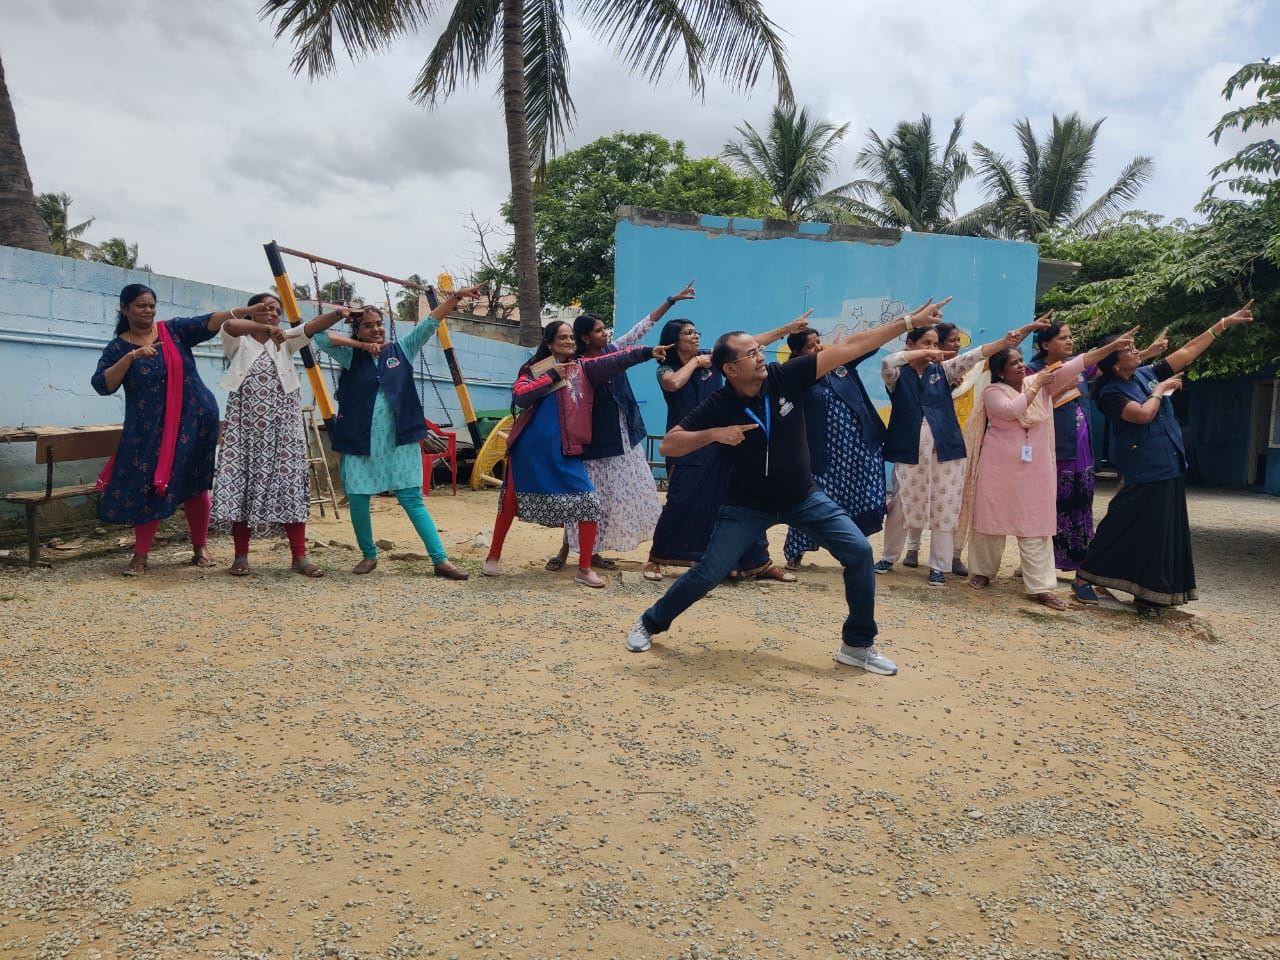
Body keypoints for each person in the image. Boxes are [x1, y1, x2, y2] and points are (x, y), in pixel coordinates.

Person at [626, 297, 952, 674]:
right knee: (708, 572)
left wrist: (908, 322)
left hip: (803, 497)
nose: (761, 355)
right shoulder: (720, 402)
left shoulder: (785, 377)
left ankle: (857, 645)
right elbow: (670, 443)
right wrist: (716, 433)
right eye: (752, 353)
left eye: (759, 349)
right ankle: (650, 622)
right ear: (731, 369)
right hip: (747, 505)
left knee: (859, 552)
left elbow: (850, 346)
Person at [1078, 303, 1254, 616]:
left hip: (1169, 463)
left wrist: (1222, 323)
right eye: (1129, 351)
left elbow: (1186, 352)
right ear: (1116, 365)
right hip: (1144, 467)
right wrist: (1159, 390)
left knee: (1161, 533)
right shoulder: (1111, 393)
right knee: (1123, 523)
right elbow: (1143, 415)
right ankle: (1087, 576)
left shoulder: (1143, 373)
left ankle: (1150, 594)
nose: (1137, 353)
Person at [92, 284, 275, 576]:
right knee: (150, 485)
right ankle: (141, 556)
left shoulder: (172, 331)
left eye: (152, 305)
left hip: (195, 420)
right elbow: (103, 384)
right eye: (141, 305)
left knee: (196, 484)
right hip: (148, 431)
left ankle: (200, 547)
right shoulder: (118, 347)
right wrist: (131, 358)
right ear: (124, 309)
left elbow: (209, 321)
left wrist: (248, 312)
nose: (148, 311)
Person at [312, 285, 485, 579]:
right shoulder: (351, 356)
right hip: (359, 441)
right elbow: (318, 336)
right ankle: (369, 555)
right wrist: (352, 332)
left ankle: (440, 559)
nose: (376, 329)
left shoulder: (402, 349)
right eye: (367, 326)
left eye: (379, 324)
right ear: (357, 330)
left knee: (411, 498)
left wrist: (455, 298)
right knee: (358, 498)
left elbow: (431, 322)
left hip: (400, 440)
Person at [482, 321, 666, 588]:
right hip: (530, 449)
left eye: (571, 337)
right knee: (510, 502)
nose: (569, 341)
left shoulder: (583, 368)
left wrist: (647, 352)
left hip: (567, 450)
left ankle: (584, 569)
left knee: (588, 503)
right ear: (549, 342)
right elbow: (520, 396)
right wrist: (552, 376)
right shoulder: (537, 368)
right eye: (562, 337)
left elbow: (617, 359)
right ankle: (493, 557)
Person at [966, 333, 1134, 609]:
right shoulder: (993, 392)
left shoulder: (1040, 380)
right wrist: (1035, 388)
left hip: (1036, 468)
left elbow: (1079, 363)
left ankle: (1040, 587)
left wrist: (1112, 347)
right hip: (998, 469)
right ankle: (982, 573)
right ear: (999, 371)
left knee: (1036, 523)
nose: (1021, 366)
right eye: (1013, 363)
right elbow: (1011, 411)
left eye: (1021, 361)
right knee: (991, 519)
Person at [642, 313, 813, 583]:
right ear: (674, 342)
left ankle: (758, 563)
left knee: (741, 500)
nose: (696, 335)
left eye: (696, 331)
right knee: (680, 501)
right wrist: (697, 362)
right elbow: (673, 384)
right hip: (688, 441)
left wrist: (786, 329)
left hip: (723, 440)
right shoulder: (667, 368)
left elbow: (751, 344)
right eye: (688, 333)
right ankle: (657, 558)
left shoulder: (715, 357)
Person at [876, 320, 1042, 586]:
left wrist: (1004, 342)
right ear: (910, 345)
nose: (932, 349)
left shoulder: (943, 371)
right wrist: (922, 354)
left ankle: (939, 566)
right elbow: (889, 362)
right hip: (908, 449)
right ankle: (888, 556)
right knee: (901, 503)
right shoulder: (897, 375)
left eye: (934, 344)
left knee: (945, 506)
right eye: (925, 344)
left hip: (947, 450)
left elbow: (977, 355)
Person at [547, 283, 696, 572]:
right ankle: (565, 550)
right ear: (585, 337)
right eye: (599, 330)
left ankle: (594, 552)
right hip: (595, 440)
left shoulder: (614, 350)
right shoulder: (575, 364)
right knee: (586, 498)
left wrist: (670, 301)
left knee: (611, 500)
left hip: (625, 435)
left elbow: (643, 327)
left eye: (605, 329)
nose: (606, 333)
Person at [1026, 320, 1169, 603]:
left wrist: (1149, 352)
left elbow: (1115, 365)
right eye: (1063, 338)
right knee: (1052, 507)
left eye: (1070, 336)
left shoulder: (1080, 366)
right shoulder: (1033, 371)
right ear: (1045, 345)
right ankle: (1046, 568)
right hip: (1054, 448)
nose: (1069, 341)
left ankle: (1082, 567)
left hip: (1082, 448)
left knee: (1081, 505)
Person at [211, 293, 351, 578]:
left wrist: (341, 313)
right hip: (244, 431)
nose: (272, 313)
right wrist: (262, 327)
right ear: (251, 312)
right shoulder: (239, 340)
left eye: (276, 309)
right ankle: (241, 556)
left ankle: (299, 556)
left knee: (290, 485)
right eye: (265, 308)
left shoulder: (285, 341)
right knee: (243, 484)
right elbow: (228, 325)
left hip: (283, 429)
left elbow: (311, 327)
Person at [781, 327, 887, 569]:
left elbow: (869, 346)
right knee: (814, 501)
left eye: (819, 342)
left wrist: (900, 324)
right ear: (797, 352)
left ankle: (850, 551)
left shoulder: (840, 363)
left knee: (860, 495)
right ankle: (795, 552)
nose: (819, 348)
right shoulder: (796, 374)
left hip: (857, 448)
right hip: (822, 453)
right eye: (812, 345)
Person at [901, 321, 980, 574]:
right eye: (952, 341)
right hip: (924, 436)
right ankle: (912, 548)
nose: (956, 345)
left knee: (949, 499)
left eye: (958, 341)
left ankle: (952, 555)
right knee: (916, 492)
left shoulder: (969, 369)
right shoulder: (929, 373)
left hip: (959, 438)